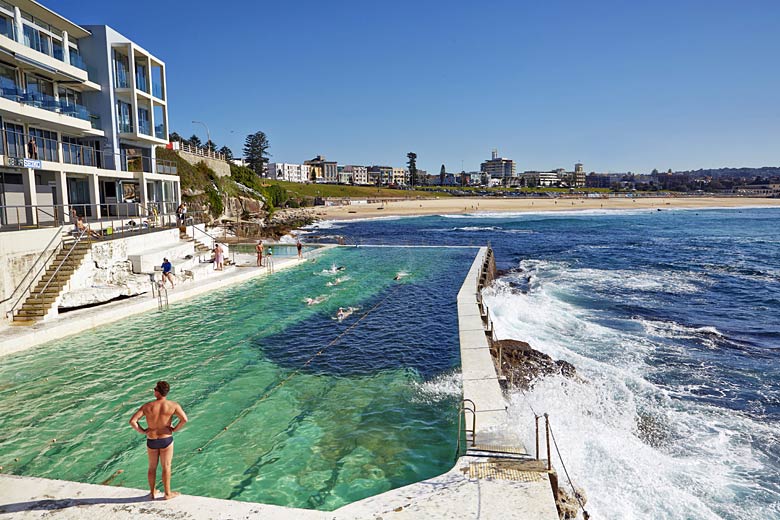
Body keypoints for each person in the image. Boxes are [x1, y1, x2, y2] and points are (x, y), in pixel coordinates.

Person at [129, 381, 188, 500]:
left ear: (157, 392)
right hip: (166, 439)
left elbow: (132, 421)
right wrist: (174, 429)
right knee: (166, 466)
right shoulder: (173, 405)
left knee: (152, 467)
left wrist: (143, 431)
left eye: (155, 389)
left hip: (152, 439)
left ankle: (152, 493)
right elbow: (184, 419)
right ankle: (167, 494)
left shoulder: (147, 406)